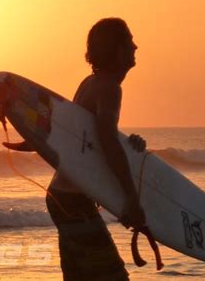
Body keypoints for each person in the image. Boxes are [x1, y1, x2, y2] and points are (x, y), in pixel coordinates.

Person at [45, 18, 147, 280]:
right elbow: (107, 143)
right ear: (116, 49)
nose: (135, 46)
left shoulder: (91, 83)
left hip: (61, 196)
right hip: (74, 202)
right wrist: (131, 200)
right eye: (129, 41)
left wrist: (129, 144)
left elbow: (89, 142)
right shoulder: (109, 88)